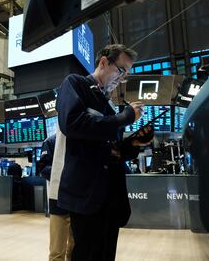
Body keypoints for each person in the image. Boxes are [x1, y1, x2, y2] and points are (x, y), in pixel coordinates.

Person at [55, 44, 153, 261]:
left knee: (106, 254)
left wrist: (133, 144)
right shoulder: (75, 83)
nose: (123, 78)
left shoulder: (106, 104)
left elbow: (111, 150)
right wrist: (125, 117)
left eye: (127, 73)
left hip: (109, 196)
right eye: (121, 70)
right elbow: (72, 123)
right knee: (87, 254)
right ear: (103, 62)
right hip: (87, 194)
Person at [38, 134, 74, 261]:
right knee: (57, 251)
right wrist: (67, 174)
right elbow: (43, 168)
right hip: (58, 200)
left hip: (80, 201)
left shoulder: (81, 137)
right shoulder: (51, 141)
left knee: (75, 249)